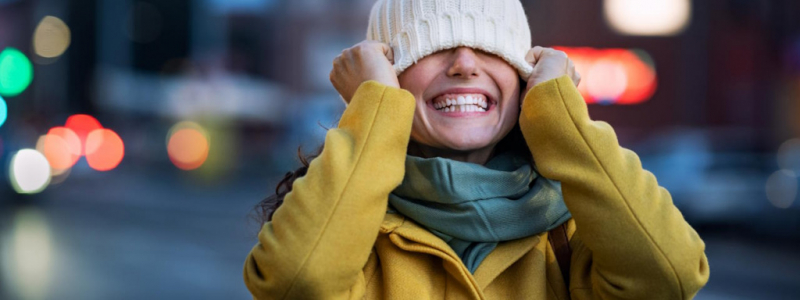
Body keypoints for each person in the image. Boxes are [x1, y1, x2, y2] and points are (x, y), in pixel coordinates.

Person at [244, 0, 710, 299]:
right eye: (432, 48)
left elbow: (671, 278)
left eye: (492, 50)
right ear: (387, 77)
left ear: (524, 78)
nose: (465, 64)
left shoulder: (576, 229)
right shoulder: (343, 222)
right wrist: (375, 113)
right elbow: (295, 282)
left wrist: (562, 119)